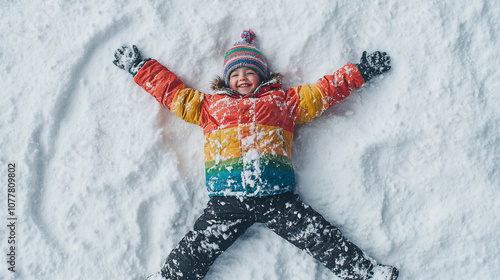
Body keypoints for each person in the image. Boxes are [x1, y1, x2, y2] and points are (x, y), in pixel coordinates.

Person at [113, 30, 398, 280]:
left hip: (278, 197)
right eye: (235, 74)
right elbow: (173, 94)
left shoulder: (283, 102)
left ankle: (367, 273)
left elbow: (323, 92)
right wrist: (139, 68)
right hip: (227, 200)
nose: (242, 78)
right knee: (197, 249)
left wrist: (360, 71)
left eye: (249, 72)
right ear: (226, 80)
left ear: (262, 75)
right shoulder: (209, 107)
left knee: (318, 237)